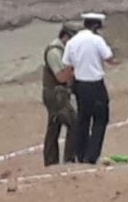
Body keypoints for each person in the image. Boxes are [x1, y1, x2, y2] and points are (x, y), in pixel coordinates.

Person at [61, 12, 118, 164]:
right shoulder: (96, 40)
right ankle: (92, 154)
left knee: (83, 119)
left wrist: (68, 84)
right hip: (95, 84)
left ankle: (81, 153)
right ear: (95, 26)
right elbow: (109, 58)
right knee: (100, 119)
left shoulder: (73, 42)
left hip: (80, 85)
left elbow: (67, 65)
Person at [41, 23, 79, 166]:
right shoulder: (54, 52)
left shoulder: (62, 51)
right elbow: (61, 77)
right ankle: (68, 158)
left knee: (54, 126)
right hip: (55, 94)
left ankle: (51, 160)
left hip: (59, 94)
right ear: (65, 37)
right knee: (73, 122)